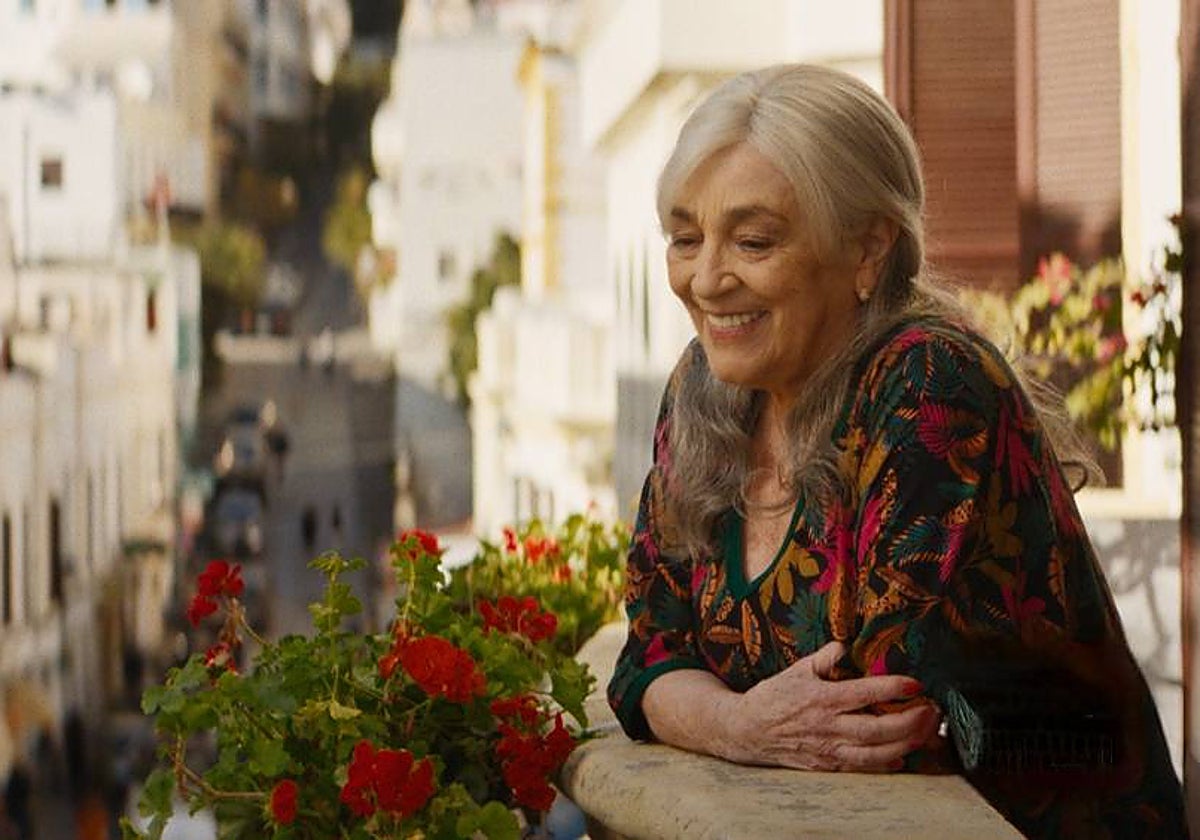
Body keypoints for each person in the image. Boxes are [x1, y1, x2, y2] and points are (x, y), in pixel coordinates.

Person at [607, 63, 1186, 838]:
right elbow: (646, 656)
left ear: (868, 250)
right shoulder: (704, 387)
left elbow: (872, 720)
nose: (706, 279)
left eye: (753, 241)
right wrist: (739, 724)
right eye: (685, 238)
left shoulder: (928, 382)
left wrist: (708, 709)